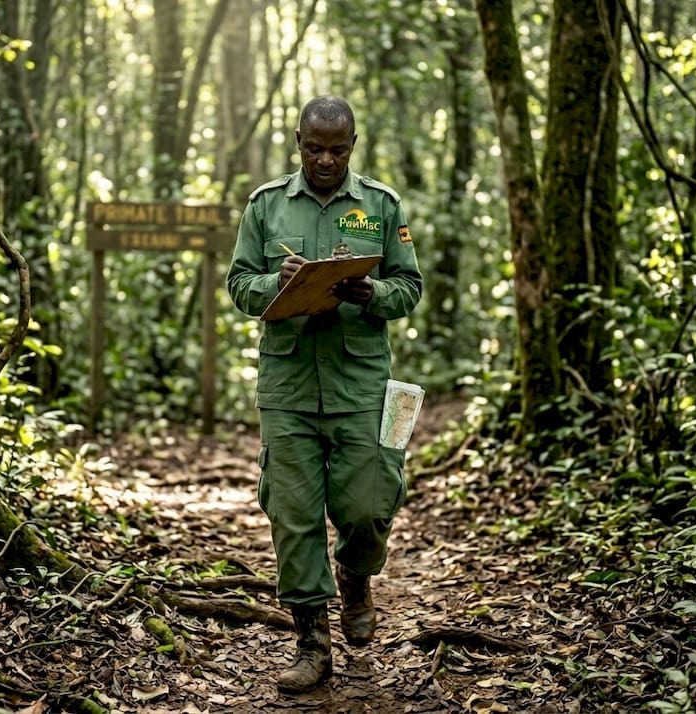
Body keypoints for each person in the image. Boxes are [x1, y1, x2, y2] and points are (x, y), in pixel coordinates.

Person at [226, 95, 423, 693]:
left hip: (361, 382)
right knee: (293, 514)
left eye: (338, 149)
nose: (326, 160)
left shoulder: (381, 206)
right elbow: (238, 283)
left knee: (367, 505)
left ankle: (357, 574)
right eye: (315, 148)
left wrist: (373, 295)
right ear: (298, 141)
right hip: (286, 384)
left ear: (353, 146)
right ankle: (312, 640)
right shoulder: (265, 206)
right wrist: (273, 284)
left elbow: (408, 285)